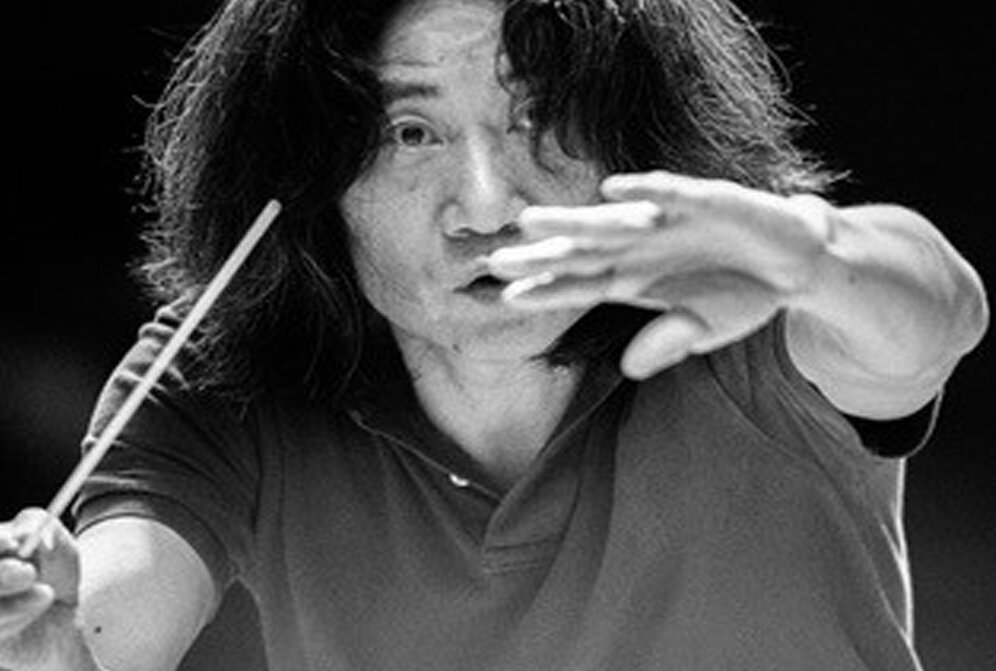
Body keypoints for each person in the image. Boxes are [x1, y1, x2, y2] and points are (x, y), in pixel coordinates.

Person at [0, 0, 988, 669]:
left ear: (629, 128)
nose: (485, 206)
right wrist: (42, 641)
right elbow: (105, 618)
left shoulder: (756, 293)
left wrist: (813, 251)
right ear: (306, 176)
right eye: (411, 133)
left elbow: (942, 313)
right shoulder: (223, 377)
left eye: (536, 116)